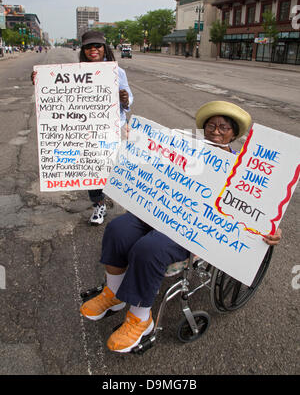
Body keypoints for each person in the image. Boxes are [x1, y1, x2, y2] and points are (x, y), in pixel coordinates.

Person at [80, 100, 282, 354]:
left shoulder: (240, 168)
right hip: (159, 210)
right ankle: (114, 293)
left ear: (234, 133)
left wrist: (270, 230)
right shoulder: (186, 147)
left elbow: (257, 211)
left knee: (149, 249)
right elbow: (151, 164)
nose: (216, 132)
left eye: (223, 128)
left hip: (196, 228)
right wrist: (134, 143)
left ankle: (141, 319)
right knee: (118, 229)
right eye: (211, 126)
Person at [31, 30, 133, 225]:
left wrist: (125, 99)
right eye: (88, 47)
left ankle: (128, 207)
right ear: (83, 50)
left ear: (105, 49)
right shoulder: (73, 71)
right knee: (92, 170)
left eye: (97, 46)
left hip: (113, 127)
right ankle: (98, 205)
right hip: (86, 131)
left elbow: (128, 95)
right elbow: (53, 93)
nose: (93, 50)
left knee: (118, 168)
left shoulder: (118, 72)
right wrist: (40, 81)